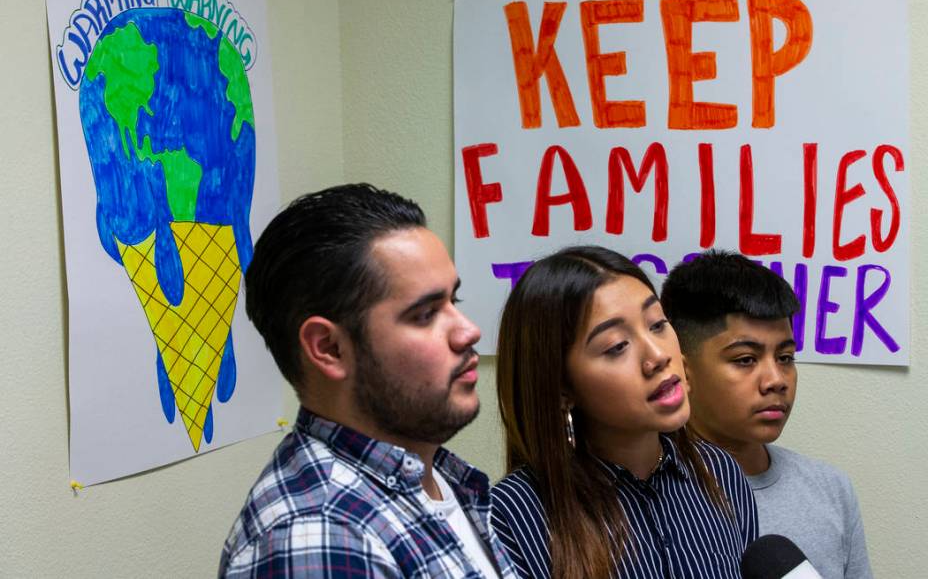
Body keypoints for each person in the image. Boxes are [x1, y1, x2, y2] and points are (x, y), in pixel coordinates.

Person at [219, 183, 515, 578]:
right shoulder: (322, 536)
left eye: (453, 302)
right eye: (425, 314)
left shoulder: (436, 478)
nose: (468, 332)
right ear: (329, 348)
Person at [490, 245, 757, 579]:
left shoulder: (720, 473)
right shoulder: (512, 513)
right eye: (617, 346)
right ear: (562, 388)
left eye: (658, 324)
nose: (658, 355)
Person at [660, 250, 873, 579]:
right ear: (683, 372)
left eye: (786, 357)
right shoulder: (645, 496)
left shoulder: (831, 489)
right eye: (745, 359)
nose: (776, 380)